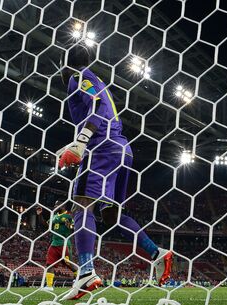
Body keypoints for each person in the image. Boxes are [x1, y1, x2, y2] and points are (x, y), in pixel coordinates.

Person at [57, 45, 173, 300]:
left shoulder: (80, 76)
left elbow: (97, 107)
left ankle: (86, 272)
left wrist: (82, 141)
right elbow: (101, 111)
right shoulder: (96, 79)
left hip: (102, 150)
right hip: (122, 150)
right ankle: (156, 253)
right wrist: (73, 144)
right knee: (112, 216)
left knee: (81, 206)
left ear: (64, 66)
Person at [36, 200, 78, 291]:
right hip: (54, 243)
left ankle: (78, 280)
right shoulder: (54, 216)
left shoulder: (68, 216)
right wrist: (39, 215)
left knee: (70, 264)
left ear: (63, 206)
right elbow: (45, 225)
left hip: (64, 244)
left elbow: (74, 227)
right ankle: (49, 286)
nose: (54, 207)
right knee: (49, 264)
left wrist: (69, 226)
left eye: (56, 205)